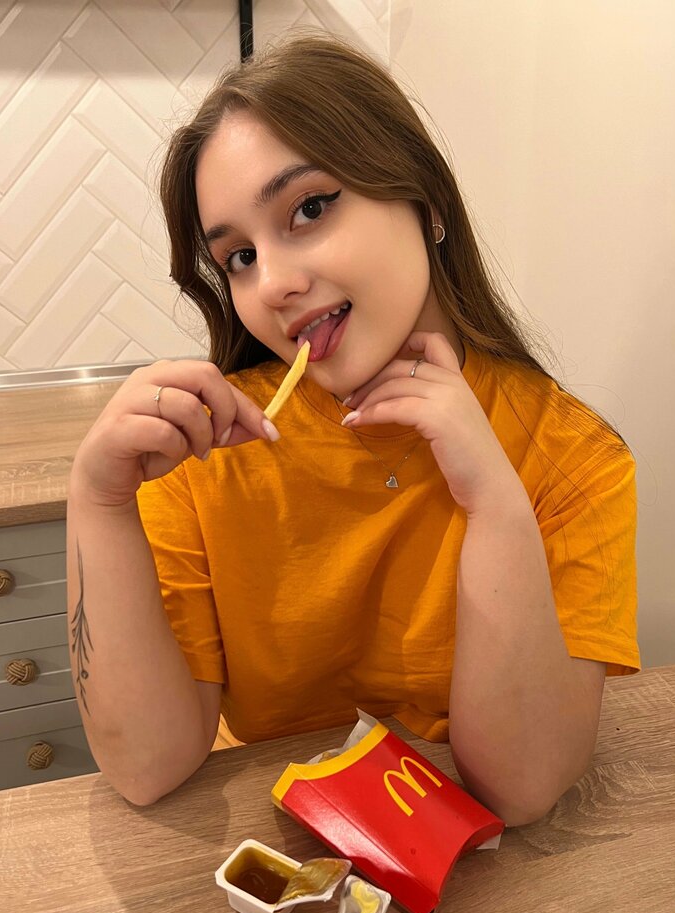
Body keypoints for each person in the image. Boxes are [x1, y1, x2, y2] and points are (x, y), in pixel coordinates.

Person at [66, 31, 640, 824]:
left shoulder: (576, 459)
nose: (273, 284)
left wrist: (496, 504)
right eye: (238, 258)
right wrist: (97, 501)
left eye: (309, 208)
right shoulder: (206, 456)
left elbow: (521, 787)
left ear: (426, 204)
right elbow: (145, 767)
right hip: (264, 849)